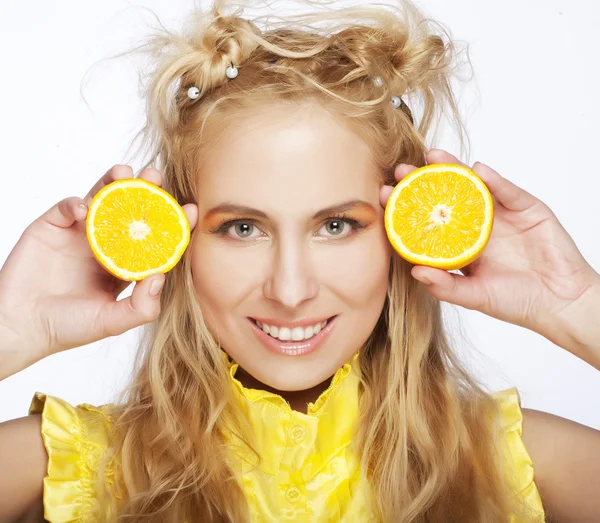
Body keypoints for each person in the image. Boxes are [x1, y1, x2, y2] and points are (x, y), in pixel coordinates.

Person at [1, 0, 599, 521]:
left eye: (336, 226)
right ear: (177, 241)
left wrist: (579, 308)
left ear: (401, 234)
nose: (290, 291)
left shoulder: (515, 463)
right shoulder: (71, 469)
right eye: (242, 228)